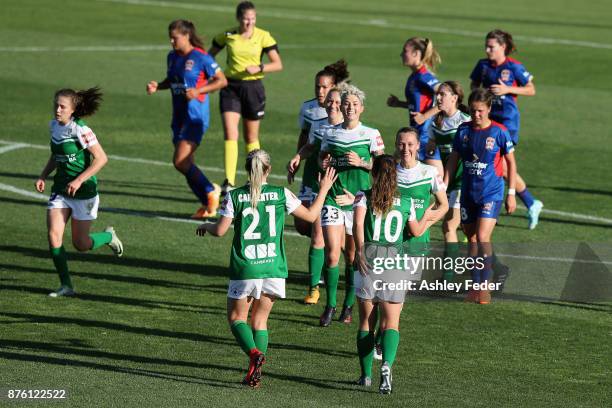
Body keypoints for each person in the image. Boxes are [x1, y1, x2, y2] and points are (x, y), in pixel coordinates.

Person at [196, 150, 336, 387]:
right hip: (274, 266)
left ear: (246, 169)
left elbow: (220, 231)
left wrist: (207, 225)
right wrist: (323, 189)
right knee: (260, 322)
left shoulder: (235, 196)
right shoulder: (282, 194)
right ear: (268, 170)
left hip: (246, 267)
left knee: (236, 318)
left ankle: (253, 354)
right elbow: (312, 216)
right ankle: (255, 373)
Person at [352, 155, 436, 393]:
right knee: (392, 323)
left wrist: (359, 250)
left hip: (369, 262)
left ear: (373, 173)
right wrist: (429, 217)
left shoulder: (363, 196)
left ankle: (366, 375)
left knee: (366, 323)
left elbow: (358, 226)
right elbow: (417, 230)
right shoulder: (406, 201)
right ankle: (387, 365)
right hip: (395, 265)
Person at [35, 87, 123, 297]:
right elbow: (56, 155)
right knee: (54, 235)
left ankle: (108, 236)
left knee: (81, 244)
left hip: (84, 193)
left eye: (62, 107)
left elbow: (102, 158)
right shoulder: (54, 126)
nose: (57, 110)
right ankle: (66, 285)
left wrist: (79, 179)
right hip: (60, 190)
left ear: (73, 110)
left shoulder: (80, 129)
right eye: (56, 105)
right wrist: (43, 175)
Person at [318, 84, 385, 326]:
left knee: (353, 256)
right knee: (332, 255)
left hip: (357, 201)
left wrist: (363, 162)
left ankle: (348, 305)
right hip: (333, 198)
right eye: (346, 104)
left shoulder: (371, 134)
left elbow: (383, 168)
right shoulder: (330, 132)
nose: (350, 108)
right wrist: (323, 163)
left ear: (362, 109)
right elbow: (321, 159)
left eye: (355, 104)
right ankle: (330, 305)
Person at [147, 19, 227, 219]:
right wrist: (159, 86)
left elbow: (221, 81)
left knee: (180, 161)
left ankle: (211, 191)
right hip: (179, 117)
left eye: (175, 38)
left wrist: (199, 90)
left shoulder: (202, 57)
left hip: (195, 117)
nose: (172, 42)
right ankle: (208, 205)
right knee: (187, 163)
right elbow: (172, 81)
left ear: (187, 36)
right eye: (170, 38)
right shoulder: (172, 57)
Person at [445, 89, 517, 304]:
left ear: (489, 109)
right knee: (472, 239)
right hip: (468, 193)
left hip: (491, 193)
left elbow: (511, 163)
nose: (476, 115)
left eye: (481, 111)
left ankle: (484, 288)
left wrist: (511, 193)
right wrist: (444, 186)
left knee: (483, 237)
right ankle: (474, 285)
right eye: (474, 111)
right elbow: (453, 159)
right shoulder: (463, 131)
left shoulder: (499, 132)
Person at [470, 29, 543, 229]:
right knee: (495, 164)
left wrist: (508, 89)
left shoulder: (513, 67)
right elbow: (474, 85)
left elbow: (531, 89)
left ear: (503, 47)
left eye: (491, 46)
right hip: (487, 120)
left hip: (508, 122)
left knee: (500, 164)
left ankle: (522, 202)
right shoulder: (482, 66)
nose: (487, 50)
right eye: (486, 46)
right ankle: (529, 202)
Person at [209, 1, 283, 195]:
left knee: (250, 136)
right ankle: (229, 182)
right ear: (238, 19)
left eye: (252, 19)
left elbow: (277, 64)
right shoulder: (228, 36)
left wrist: (259, 67)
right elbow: (209, 56)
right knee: (230, 132)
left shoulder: (263, 36)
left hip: (253, 88)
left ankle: (256, 180)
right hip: (230, 87)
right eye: (245, 19)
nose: (249, 22)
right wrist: (212, 74)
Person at [287, 84, 346, 305]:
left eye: (337, 102)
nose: (332, 105)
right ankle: (314, 289)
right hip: (323, 188)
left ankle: (354, 285)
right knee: (316, 236)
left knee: (345, 247)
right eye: (330, 101)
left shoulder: (349, 130)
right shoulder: (319, 125)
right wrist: (298, 157)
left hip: (344, 191)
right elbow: (311, 147)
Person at [427, 81, 471, 281]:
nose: (438, 98)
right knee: (463, 229)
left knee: (449, 226)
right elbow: (431, 147)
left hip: (464, 181)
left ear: (455, 98)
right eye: (437, 94)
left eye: (442, 94)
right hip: (446, 181)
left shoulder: (466, 121)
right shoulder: (436, 121)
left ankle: (448, 274)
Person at [387, 37, 442, 175]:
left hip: (425, 135)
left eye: (405, 51)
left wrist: (425, 116)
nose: (401, 54)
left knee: (439, 182)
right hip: (416, 133)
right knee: (391, 172)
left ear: (416, 54)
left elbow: (446, 96)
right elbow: (418, 105)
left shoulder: (424, 76)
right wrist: (399, 103)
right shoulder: (414, 76)